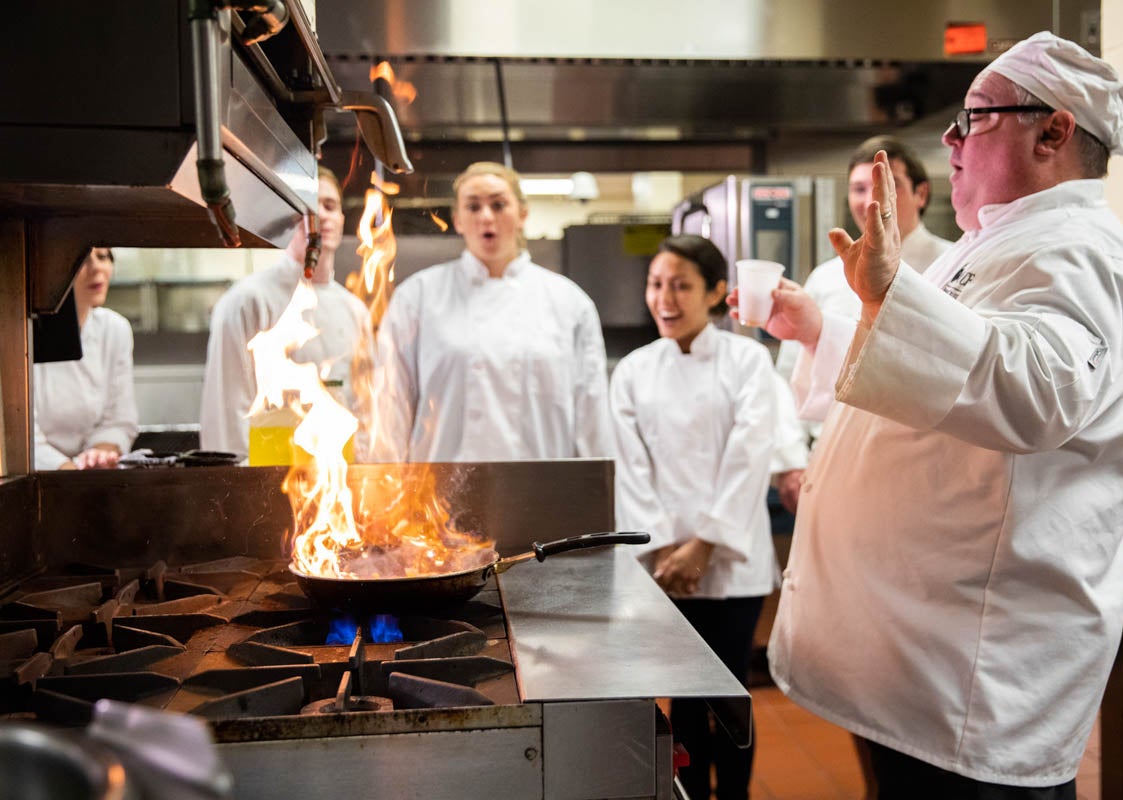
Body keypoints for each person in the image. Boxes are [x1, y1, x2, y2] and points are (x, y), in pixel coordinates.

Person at [745, 31, 1123, 797]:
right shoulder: (999, 241)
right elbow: (936, 384)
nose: (949, 138)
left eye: (974, 119)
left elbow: (1039, 390)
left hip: (973, 667)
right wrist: (826, 330)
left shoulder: (1081, 250)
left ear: (1054, 131)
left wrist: (891, 297)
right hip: (919, 654)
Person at [612, 235, 799, 800]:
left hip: (731, 563)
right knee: (682, 701)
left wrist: (704, 544)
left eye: (682, 285)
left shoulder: (748, 361)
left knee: (730, 696)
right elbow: (630, 466)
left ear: (717, 292)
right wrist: (667, 548)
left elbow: (748, 455)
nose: (665, 298)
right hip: (664, 565)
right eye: (656, 284)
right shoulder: (634, 370)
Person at [372, 161, 612, 462]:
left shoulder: (570, 304)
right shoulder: (418, 297)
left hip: (544, 492)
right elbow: (390, 406)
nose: (486, 217)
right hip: (436, 496)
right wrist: (384, 491)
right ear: (457, 219)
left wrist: (596, 494)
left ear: (522, 214)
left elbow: (592, 418)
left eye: (498, 205)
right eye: (473, 207)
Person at [775, 135, 955, 514]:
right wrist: (791, 461)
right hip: (831, 454)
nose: (870, 200)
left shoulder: (953, 267)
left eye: (884, 185)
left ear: (921, 193)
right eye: (859, 188)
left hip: (924, 466)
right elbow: (786, 376)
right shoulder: (827, 277)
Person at [200, 166, 373, 456]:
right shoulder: (247, 301)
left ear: (342, 219)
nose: (320, 215)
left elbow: (367, 406)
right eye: (306, 206)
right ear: (286, 220)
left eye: (330, 206)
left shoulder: (354, 310)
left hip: (341, 482)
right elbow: (227, 411)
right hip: (270, 478)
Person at [33, 247, 138, 469]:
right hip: (38, 473)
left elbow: (119, 420)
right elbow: (18, 435)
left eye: (102, 256)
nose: (96, 268)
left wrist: (99, 454)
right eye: (81, 259)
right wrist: (68, 471)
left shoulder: (115, 330)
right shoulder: (21, 335)